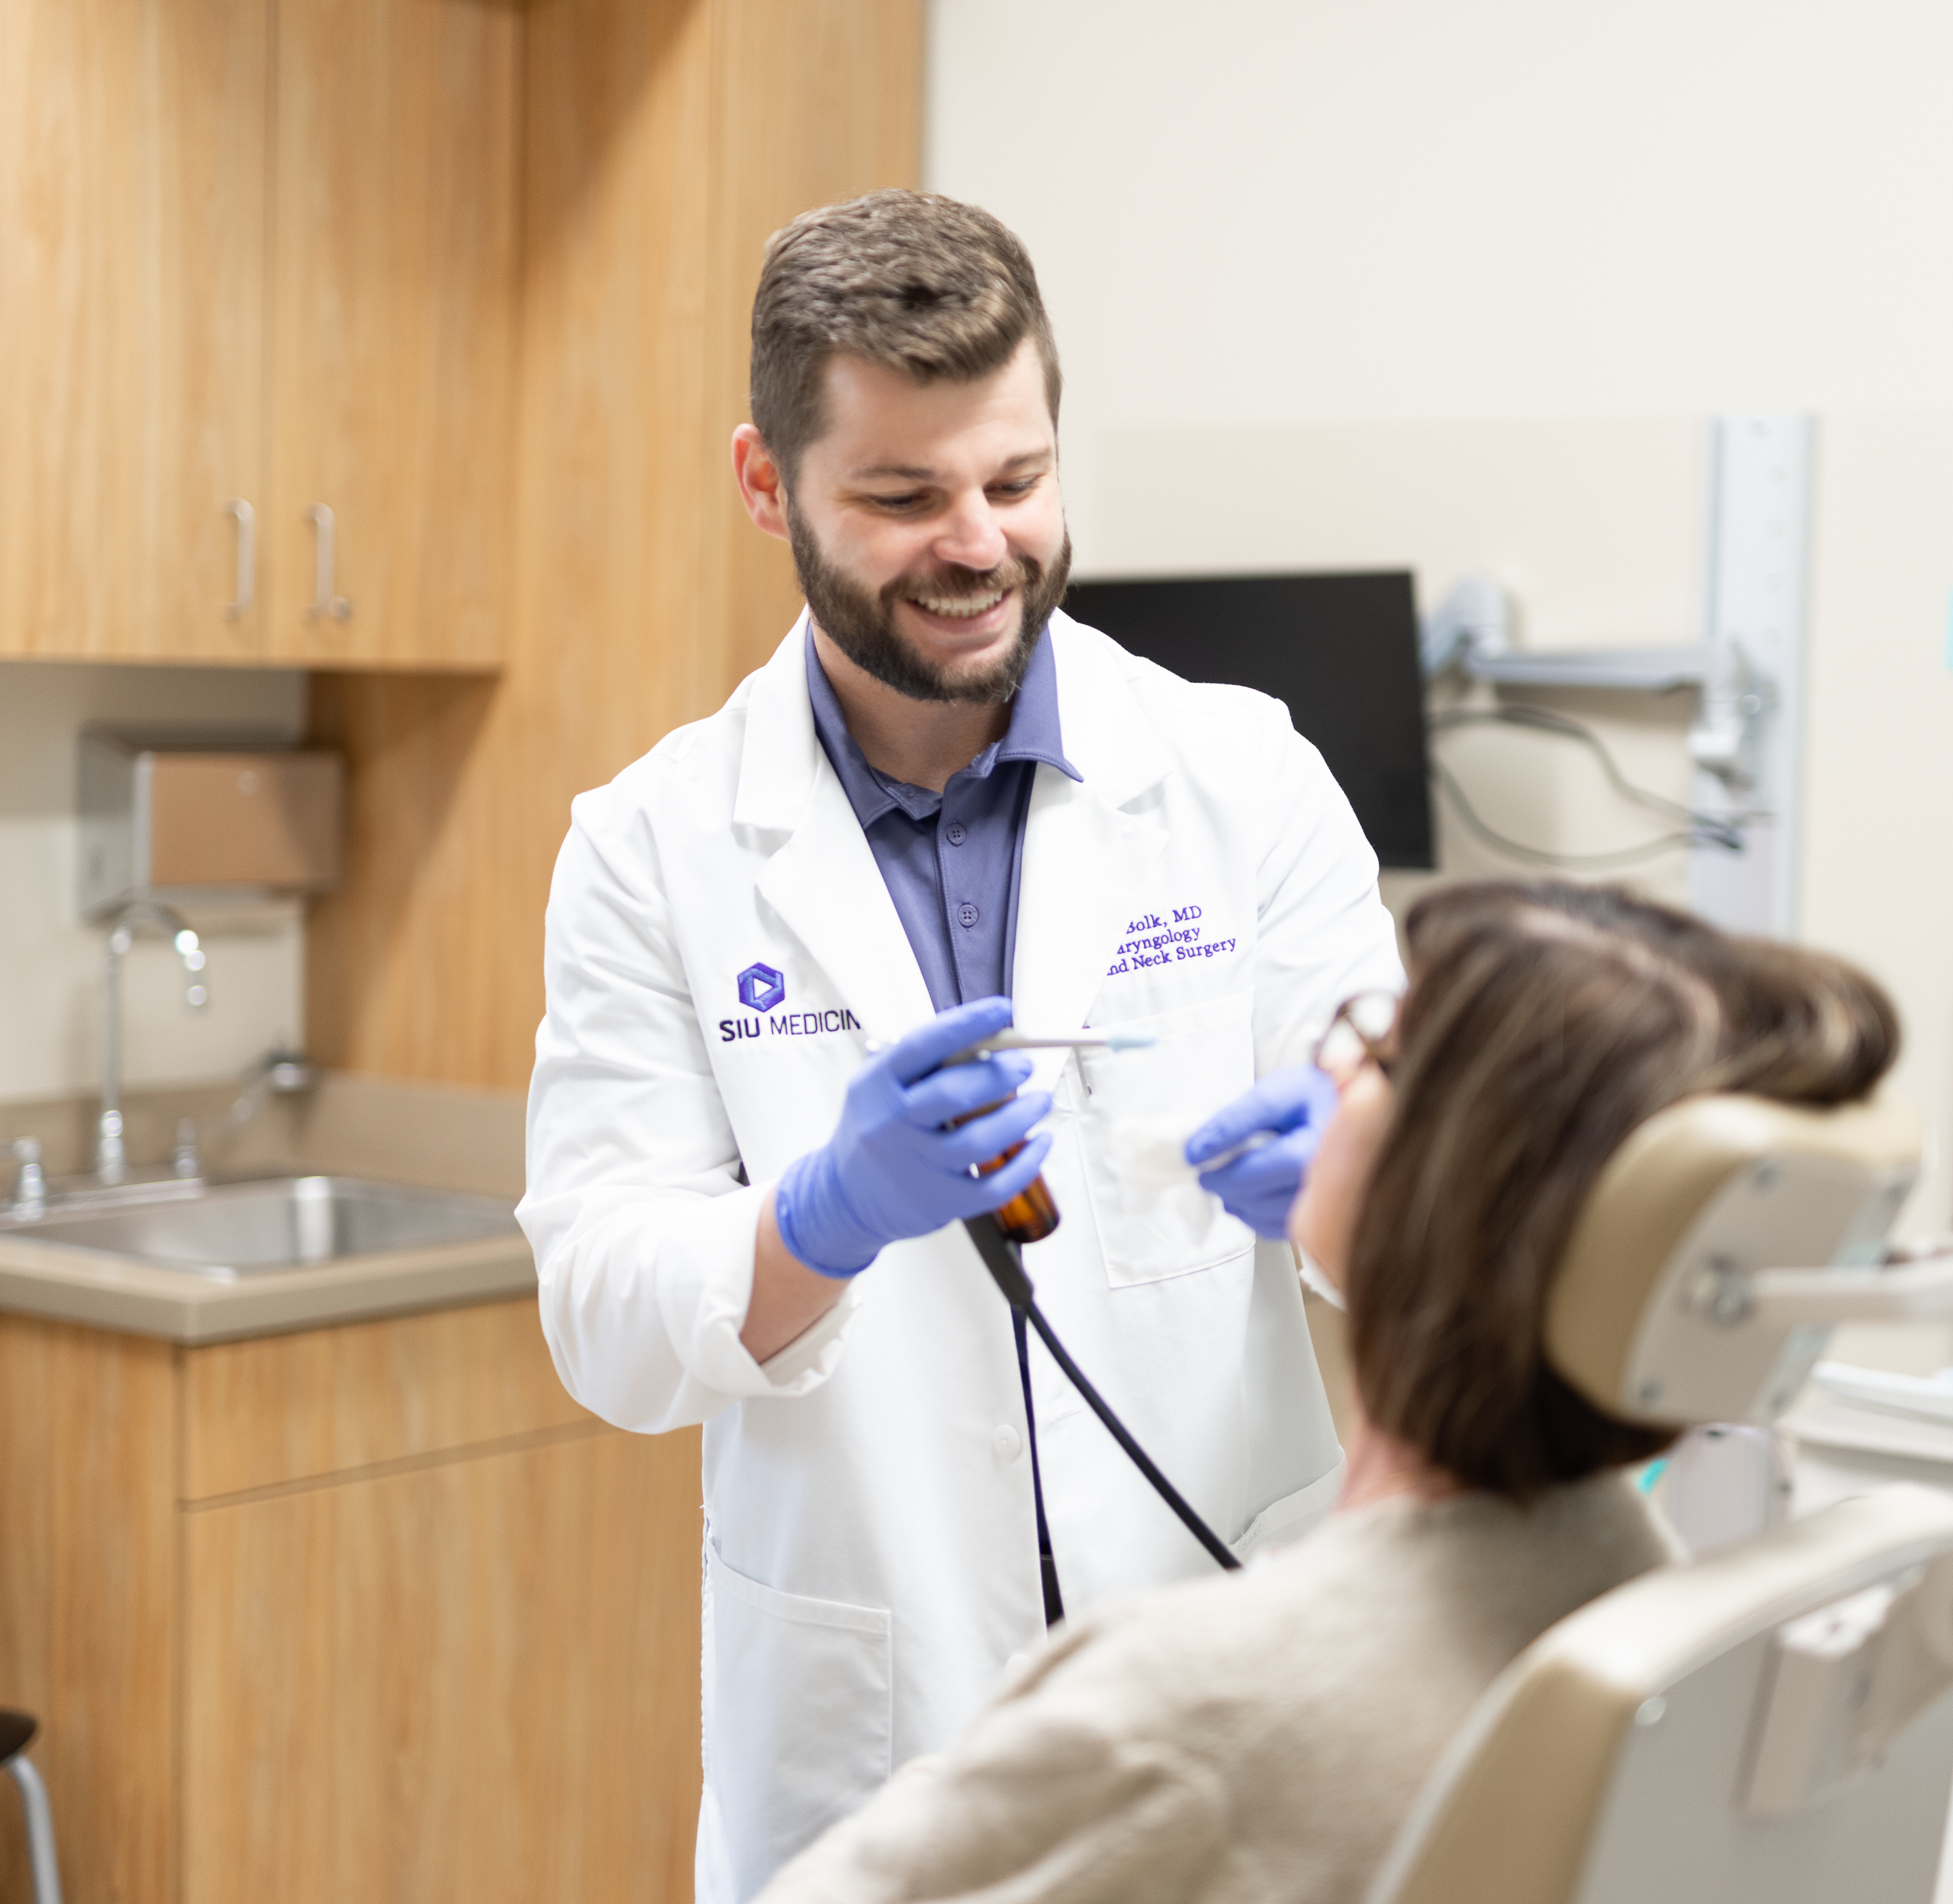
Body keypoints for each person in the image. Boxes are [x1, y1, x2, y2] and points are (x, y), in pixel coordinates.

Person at [519, 189, 1404, 1900]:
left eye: (1016, 481)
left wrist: (1361, 1176)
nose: (978, 542)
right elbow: (605, 1324)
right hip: (876, 1733)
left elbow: (1425, 1201)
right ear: (768, 486)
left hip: (1219, 1686)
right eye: (905, 495)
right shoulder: (654, 847)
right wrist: (822, 1214)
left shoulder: (1240, 775)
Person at [753, 879, 1903, 1904]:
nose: (1331, 1069)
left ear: (1447, 1186)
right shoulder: (1651, 1596)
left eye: (1376, 1047)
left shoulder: (1190, 1715)